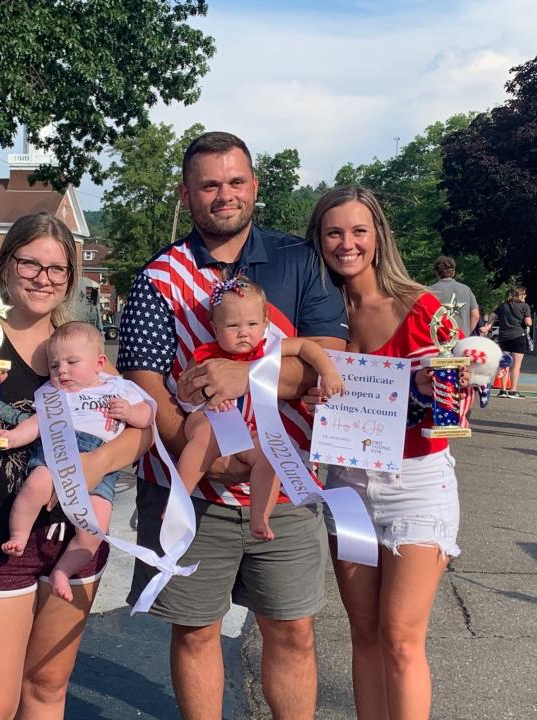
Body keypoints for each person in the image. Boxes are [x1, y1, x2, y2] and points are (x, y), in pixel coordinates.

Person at [118, 130, 348, 719]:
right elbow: (146, 386)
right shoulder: (157, 279)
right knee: (196, 631)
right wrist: (207, 463)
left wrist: (252, 375)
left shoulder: (303, 263)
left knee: (292, 630)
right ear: (187, 194)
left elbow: (326, 370)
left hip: (286, 478)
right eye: (210, 184)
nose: (225, 194)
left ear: (255, 186)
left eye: (236, 181)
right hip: (192, 487)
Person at [0, 213, 152, 720]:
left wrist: (94, 464)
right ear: (6, 266)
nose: (44, 278)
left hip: (73, 533)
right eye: (30, 263)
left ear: (71, 278)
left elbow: (139, 431)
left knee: (48, 687)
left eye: (58, 269)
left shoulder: (84, 349)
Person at [306, 186, 465, 720]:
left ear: (378, 237)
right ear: (319, 240)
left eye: (358, 231)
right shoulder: (316, 314)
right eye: (334, 232)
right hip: (346, 484)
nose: (346, 244)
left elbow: (458, 407)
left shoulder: (422, 307)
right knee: (365, 633)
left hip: (414, 484)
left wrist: (427, 389)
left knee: (400, 637)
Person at [176, 275, 345, 541]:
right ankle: (178, 499)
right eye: (232, 325)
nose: (244, 332)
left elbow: (306, 347)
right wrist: (200, 399)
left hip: (248, 433)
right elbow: (185, 398)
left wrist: (329, 373)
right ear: (214, 327)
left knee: (272, 453)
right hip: (210, 422)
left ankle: (259, 517)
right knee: (205, 435)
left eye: (252, 324)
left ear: (265, 323)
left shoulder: (268, 350)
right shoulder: (205, 356)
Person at [0, 321, 152, 601]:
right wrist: (10, 437)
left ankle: (63, 570)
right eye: (54, 366)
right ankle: (19, 534)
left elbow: (147, 418)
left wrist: (130, 412)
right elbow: (36, 423)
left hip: (102, 464)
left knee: (96, 526)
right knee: (37, 484)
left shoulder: (119, 387)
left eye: (72, 362)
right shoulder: (55, 395)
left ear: (99, 363)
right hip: (59, 451)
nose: (62, 371)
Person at [482, 286, 532, 398]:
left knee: (505, 364)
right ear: (518, 295)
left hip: (504, 338)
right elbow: (528, 322)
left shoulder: (503, 305)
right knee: (516, 366)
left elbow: (492, 316)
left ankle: (503, 390)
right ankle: (513, 390)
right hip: (519, 337)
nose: (525, 296)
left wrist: (488, 326)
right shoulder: (525, 306)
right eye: (523, 294)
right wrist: (526, 320)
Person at [428, 255, 479, 336]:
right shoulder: (466, 289)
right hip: (461, 339)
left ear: (436, 272)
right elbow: (475, 315)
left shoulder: (429, 291)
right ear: (454, 272)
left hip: (438, 339)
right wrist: (467, 332)